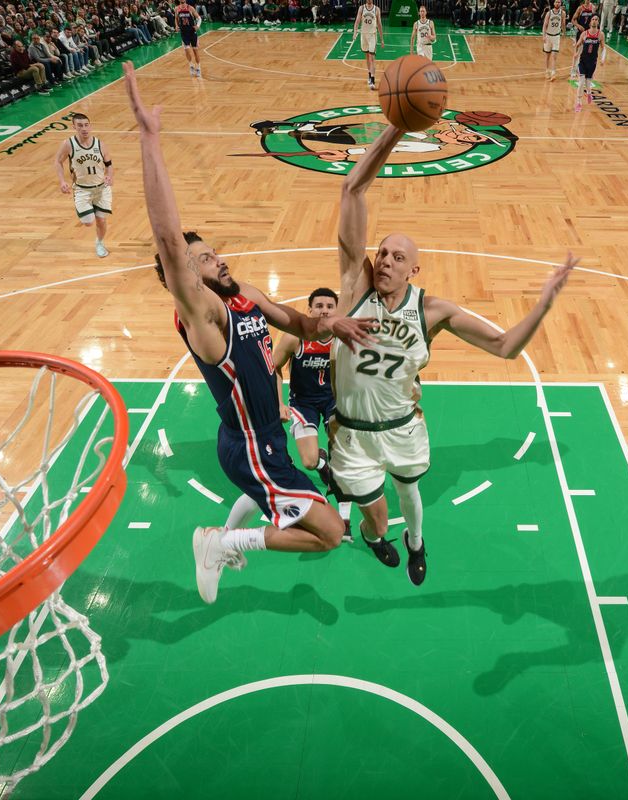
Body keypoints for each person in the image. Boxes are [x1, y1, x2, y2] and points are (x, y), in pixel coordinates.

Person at [122, 62, 377, 604]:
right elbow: (168, 239)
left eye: (212, 252)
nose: (215, 258)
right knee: (331, 535)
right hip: (248, 447)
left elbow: (303, 322)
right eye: (202, 260)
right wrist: (150, 138)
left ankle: (247, 513)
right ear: (185, 279)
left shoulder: (247, 295)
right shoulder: (205, 318)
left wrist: (337, 324)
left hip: (269, 437)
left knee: (321, 526)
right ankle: (220, 542)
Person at [332, 123, 577, 587]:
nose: (385, 260)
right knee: (375, 520)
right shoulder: (353, 289)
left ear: (415, 269)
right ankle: (376, 536)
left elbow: (505, 348)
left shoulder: (432, 310)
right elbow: (352, 188)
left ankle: (418, 544)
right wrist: (397, 128)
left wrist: (543, 304)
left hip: (402, 427)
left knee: (409, 493)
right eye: (382, 252)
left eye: (398, 257)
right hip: (354, 434)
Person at [273, 287, 354, 540]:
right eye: (319, 306)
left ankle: (345, 519)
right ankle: (321, 463)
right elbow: (273, 368)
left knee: (344, 460)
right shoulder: (295, 337)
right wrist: (278, 404)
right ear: (310, 309)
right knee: (308, 461)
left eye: (330, 306)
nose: (324, 310)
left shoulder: (343, 336)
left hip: (333, 400)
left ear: (336, 310)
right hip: (302, 403)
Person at [54, 113, 114, 258]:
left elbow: (109, 164)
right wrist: (62, 181)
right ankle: (89, 209)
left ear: (90, 126)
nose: (84, 128)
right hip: (82, 189)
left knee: (101, 220)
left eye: (86, 125)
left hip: (101, 188)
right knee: (88, 222)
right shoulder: (68, 144)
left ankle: (99, 243)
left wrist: (110, 176)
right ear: (74, 127)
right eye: (80, 125)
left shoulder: (100, 144)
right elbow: (57, 161)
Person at [574, 13, 605, 110]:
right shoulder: (584, 34)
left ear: (598, 22)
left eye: (596, 19)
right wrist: (576, 52)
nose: (595, 21)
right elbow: (578, 45)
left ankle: (588, 93)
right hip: (583, 60)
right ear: (590, 21)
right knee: (581, 82)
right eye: (593, 19)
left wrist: (602, 58)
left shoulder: (600, 34)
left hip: (592, 62)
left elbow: (604, 48)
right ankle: (578, 102)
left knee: (588, 82)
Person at [353, 0, 383, 90]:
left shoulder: (377, 9)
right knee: (367, 57)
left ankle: (373, 80)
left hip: (372, 35)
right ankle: (369, 74)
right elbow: (357, 20)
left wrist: (382, 39)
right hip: (363, 35)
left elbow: (379, 24)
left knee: (372, 58)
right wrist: (355, 31)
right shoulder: (361, 8)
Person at [175, 0, 202, 76]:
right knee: (187, 50)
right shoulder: (177, 9)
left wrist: (197, 26)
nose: (182, 4)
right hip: (184, 33)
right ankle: (191, 66)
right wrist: (176, 26)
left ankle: (198, 68)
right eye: (181, 2)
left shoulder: (190, 8)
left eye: (183, 2)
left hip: (192, 32)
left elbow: (199, 18)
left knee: (195, 51)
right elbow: (176, 19)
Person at [570, 0, 595, 77]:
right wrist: (578, 26)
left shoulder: (593, 7)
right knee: (577, 53)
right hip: (581, 33)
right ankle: (573, 69)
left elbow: (595, 19)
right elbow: (573, 20)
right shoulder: (580, 8)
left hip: (589, 33)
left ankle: (580, 69)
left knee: (586, 53)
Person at [542, 0, 565, 79]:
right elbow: (545, 25)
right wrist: (544, 36)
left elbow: (563, 23)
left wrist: (564, 32)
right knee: (547, 55)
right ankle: (547, 71)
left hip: (556, 36)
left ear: (561, 3)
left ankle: (553, 72)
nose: (558, 3)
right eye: (556, 2)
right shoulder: (549, 13)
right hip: (548, 36)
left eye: (559, 2)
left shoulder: (562, 13)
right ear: (554, 3)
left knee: (554, 55)